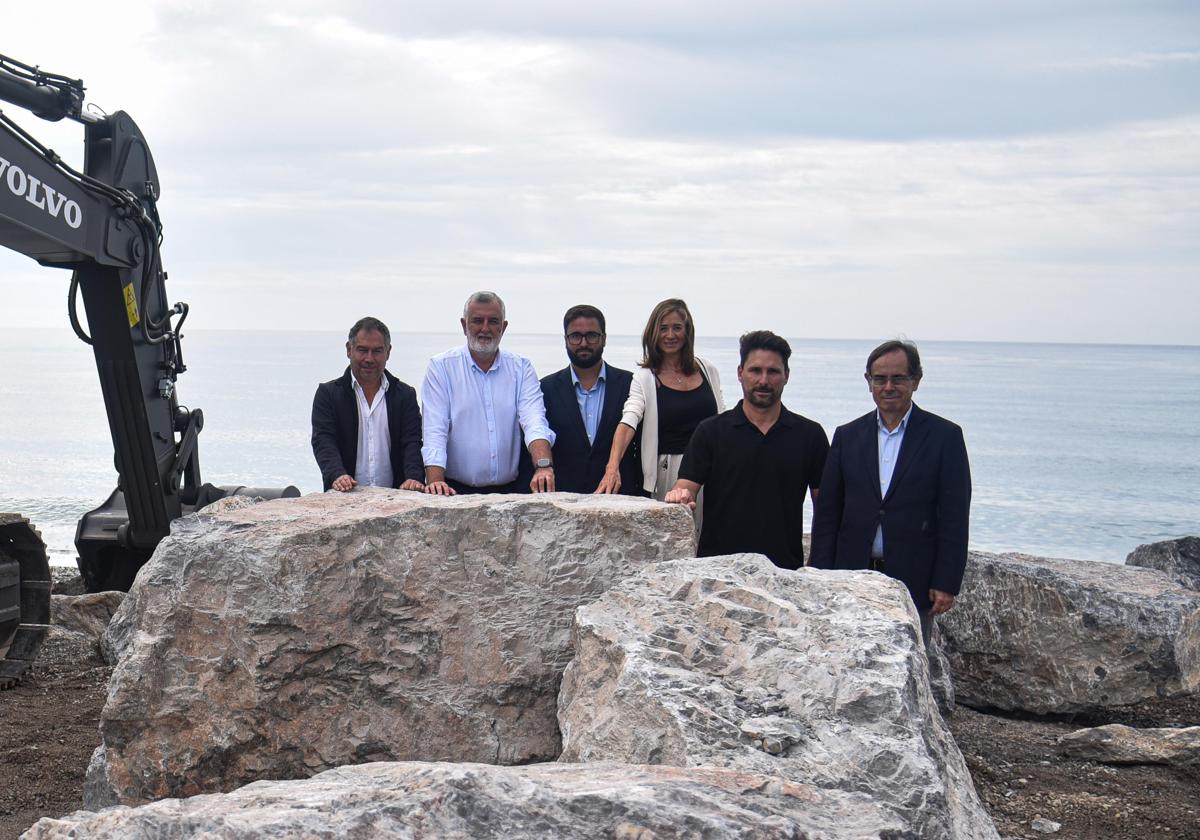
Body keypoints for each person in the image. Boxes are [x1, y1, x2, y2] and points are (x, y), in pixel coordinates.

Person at [809, 339, 972, 645]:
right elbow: (829, 512)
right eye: (879, 379)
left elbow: (954, 515)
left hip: (914, 579)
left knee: (908, 666)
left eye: (898, 378)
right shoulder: (847, 436)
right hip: (851, 575)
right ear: (868, 382)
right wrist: (820, 573)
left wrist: (946, 581)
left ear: (916, 381)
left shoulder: (944, 437)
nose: (888, 387)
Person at [665, 331, 828, 569]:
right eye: (755, 370)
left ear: (786, 376)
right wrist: (678, 496)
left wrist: (815, 566)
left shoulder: (810, 435)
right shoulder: (711, 432)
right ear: (740, 373)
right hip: (718, 572)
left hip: (785, 572)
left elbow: (825, 509)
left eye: (773, 372)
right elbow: (684, 488)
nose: (763, 380)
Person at [421, 291, 556, 495]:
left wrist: (543, 466)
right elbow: (434, 429)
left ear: (503, 326)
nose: (485, 328)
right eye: (477, 321)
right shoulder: (441, 367)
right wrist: (435, 484)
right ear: (464, 325)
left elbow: (534, 421)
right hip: (454, 491)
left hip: (512, 491)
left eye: (493, 321)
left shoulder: (521, 368)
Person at [595, 298, 725, 511]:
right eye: (663, 328)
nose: (670, 335)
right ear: (653, 333)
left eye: (677, 328)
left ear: (688, 331)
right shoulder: (645, 378)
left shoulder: (707, 370)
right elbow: (629, 420)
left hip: (710, 467)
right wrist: (612, 466)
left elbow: (723, 419)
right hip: (668, 471)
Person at [519, 304, 643, 494]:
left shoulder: (630, 384)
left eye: (592, 336)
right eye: (576, 336)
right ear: (566, 340)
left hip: (619, 497)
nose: (584, 343)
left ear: (604, 338)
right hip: (562, 501)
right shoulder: (544, 389)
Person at [311, 316, 425, 492]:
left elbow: (412, 442)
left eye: (377, 351)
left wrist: (413, 478)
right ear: (349, 350)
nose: (369, 358)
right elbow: (323, 441)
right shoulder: (328, 395)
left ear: (388, 352)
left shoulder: (405, 395)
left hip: (397, 498)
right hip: (344, 496)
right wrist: (337, 474)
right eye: (362, 350)